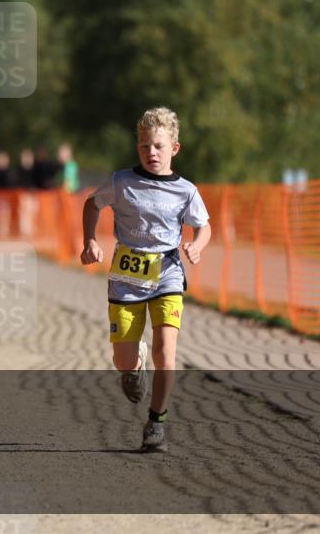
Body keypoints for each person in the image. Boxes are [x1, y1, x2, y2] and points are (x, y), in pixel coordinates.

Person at [80, 107, 211, 452]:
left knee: (166, 351)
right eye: (144, 146)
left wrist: (196, 246)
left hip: (168, 274)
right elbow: (92, 204)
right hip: (127, 279)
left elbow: (203, 226)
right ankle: (134, 365)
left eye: (158, 146)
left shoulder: (186, 190)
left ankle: (157, 422)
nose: (151, 152)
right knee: (122, 360)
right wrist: (90, 240)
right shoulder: (122, 182)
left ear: (174, 148)